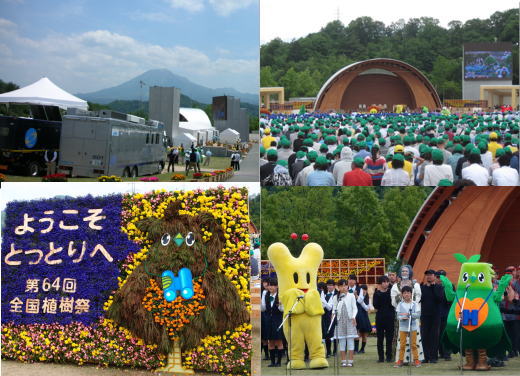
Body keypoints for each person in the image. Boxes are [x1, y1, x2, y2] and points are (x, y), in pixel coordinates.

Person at [331, 279, 358, 367]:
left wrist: (353, 317)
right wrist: (333, 315)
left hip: (350, 320)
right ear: (338, 287)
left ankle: (350, 361)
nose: (343, 287)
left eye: (345, 285)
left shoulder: (351, 296)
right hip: (340, 321)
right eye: (341, 286)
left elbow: (354, 308)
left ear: (347, 286)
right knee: (342, 341)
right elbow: (334, 309)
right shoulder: (336, 297)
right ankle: (343, 361)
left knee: (350, 340)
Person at [420, 269, 444, 363]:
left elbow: (440, 299)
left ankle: (434, 357)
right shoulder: (423, 288)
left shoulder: (439, 287)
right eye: (427, 275)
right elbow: (420, 300)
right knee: (424, 336)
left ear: (434, 276)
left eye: (430, 275)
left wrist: (433, 287)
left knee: (434, 336)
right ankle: (426, 357)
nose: (428, 276)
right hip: (425, 315)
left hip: (435, 315)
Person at [395, 285, 421, 367]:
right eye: (405, 293)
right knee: (402, 345)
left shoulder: (415, 304)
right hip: (403, 327)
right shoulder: (400, 304)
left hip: (413, 327)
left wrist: (410, 315)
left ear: (411, 294)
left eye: (408, 293)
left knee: (413, 344)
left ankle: (416, 360)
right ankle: (400, 360)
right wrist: (403, 317)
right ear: (402, 294)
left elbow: (418, 315)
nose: (406, 294)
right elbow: (398, 316)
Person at [261, 278, 284, 367]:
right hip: (268, 321)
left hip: (277, 321)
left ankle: (278, 362)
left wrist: (280, 305)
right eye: (269, 285)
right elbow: (263, 308)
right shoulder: (266, 295)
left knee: (278, 342)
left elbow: (282, 310)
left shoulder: (280, 296)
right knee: (270, 342)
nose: (270, 287)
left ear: (277, 286)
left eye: (273, 285)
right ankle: (272, 362)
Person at [373, 275, 395, 363]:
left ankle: (389, 356)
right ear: (380, 283)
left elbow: (393, 304)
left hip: (390, 317)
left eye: (387, 282)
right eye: (384, 282)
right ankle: (381, 357)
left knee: (389, 338)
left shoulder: (391, 292)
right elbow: (375, 305)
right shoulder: (377, 293)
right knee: (380, 338)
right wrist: (379, 294)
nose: (386, 283)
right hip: (380, 318)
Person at [321, 279, 337, 358]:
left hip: (335, 316)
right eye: (328, 285)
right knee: (327, 334)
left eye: (331, 285)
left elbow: (330, 307)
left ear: (334, 286)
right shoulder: (324, 294)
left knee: (335, 334)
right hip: (326, 317)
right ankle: (328, 351)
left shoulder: (337, 294)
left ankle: (335, 350)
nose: (329, 287)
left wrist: (324, 302)